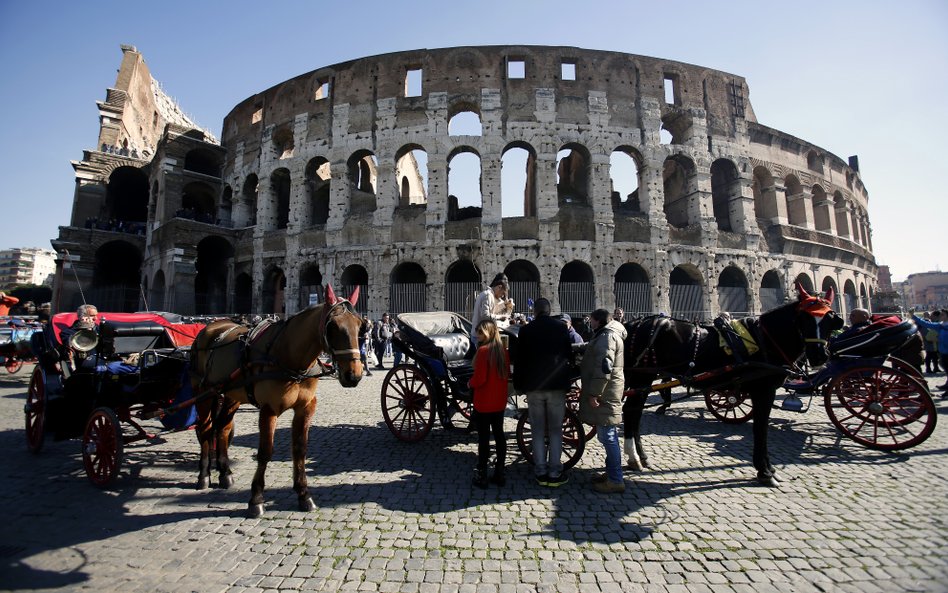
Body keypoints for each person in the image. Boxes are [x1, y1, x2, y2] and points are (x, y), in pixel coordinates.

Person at [513, 297, 574, 487]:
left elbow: (519, 361)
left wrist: (519, 385)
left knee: (537, 430)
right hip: (556, 386)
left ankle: (540, 471)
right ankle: (555, 472)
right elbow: (569, 356)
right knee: (556, 431)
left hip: (534, 387)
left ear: (535, 312)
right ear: (549, 311)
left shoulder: (525, 330)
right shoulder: (561, 329)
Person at [578, 308, 628, 494]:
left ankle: (616, 480)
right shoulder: (607, 334)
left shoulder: (607, 338)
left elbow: (603, 368)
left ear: (597, 321)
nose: (589, 322)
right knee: (609, 435)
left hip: (606, 393)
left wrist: (594, 394)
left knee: (608, 436)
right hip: (609, 390)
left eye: (591, 320)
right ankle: (612, 473)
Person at [468, 319, 509, 488]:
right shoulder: (502, 351)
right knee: (499, 435)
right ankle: (499, 472)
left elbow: (480, 379)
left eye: (479, 333)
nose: (477, 336)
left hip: (484, 401)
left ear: (487, 333)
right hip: (499, 401)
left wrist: (469, 383)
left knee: (484, 438)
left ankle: (482, 473)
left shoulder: (484, 351)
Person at [912, 309, 948, 391]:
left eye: (943, 315)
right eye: (941, 314)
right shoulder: (941, 325)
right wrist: (914, 317)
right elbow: (927, 324)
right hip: (943, 352)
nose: (940, 316)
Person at [59, 303, 99, 370]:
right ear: (82, 317)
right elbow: (70, 344)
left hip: (102, 359)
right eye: (92, 316)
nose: (96, 318)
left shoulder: (99, 328)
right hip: (83, 363)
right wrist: (86, 329)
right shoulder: (67, 333)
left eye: (96, 315)